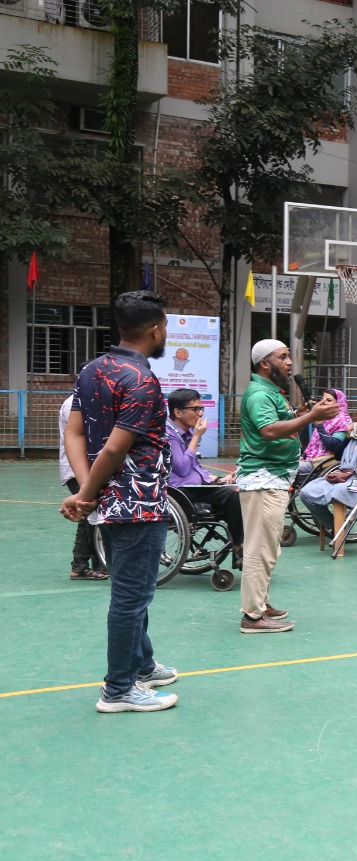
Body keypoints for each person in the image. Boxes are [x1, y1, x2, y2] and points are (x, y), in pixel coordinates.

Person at [59, 290, 182, 712]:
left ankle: (142, 665)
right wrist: (87, 494)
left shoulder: (92, 369)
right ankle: (119, 690)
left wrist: (85, 491)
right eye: (166, 326)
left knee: (133, 589)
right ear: (156, 330)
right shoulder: (141, 380)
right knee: (132, 597)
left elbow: (74, 433)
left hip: (110, 502)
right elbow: (115, 448)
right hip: (137, 503)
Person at [237, 339, 341, 633]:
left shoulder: (271, 391)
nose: (290, 362)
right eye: (282, 357)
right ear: (264, 363)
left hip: (273, 477)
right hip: (264, 479)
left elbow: (281, 422)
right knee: (260, 549)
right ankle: (253, 616)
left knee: (268, 547)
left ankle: (261, 603)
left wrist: (301, 415)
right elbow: (269, 431)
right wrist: (312, 416)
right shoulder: (260, 394)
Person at [164, 388, 244, 564]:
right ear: (178, 412)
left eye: (201, 409)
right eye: (195, 409)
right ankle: (240, 547)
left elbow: (195, 468)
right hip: (179, 491)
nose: (200, 413)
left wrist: (218, 480)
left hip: (194, 486)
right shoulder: (169, 434)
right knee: (232, 494)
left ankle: (242, 543)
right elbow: (183, 469)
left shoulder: (186, 432)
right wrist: (196, 437)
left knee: (237, 487)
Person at [299, 398, 357, 538]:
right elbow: (338, 456)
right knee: (306, 492)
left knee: (336, 490)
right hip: (344, 476)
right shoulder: (354, 431)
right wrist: (348, 438)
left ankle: (339, 529)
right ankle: (335, 526)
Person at [60, 393, 106, 580]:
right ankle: (80, 566)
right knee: (87, 513)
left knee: (92, 514)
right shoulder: (74, 402)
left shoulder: (90, 399)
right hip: (77, 469)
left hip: (88, 467)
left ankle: (98, 564)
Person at [302, 388, 352, 461]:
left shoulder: (343, 421)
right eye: (322, 399)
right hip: (310, 459)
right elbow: (314, 442)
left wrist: (319, 426)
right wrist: (303, 456)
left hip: (323, 462)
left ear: (339, 403)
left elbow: (333, 445)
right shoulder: (325, 417)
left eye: (329, 400)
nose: (324, 402)